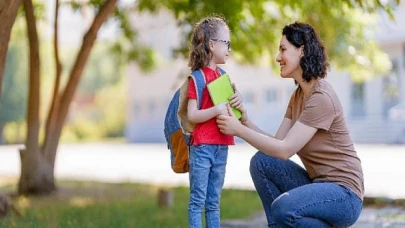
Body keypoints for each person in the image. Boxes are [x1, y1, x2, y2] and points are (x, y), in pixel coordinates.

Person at [216, 22, 364, 228]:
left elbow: (284, 150)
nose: (278, 57)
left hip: (344, 195)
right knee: (262, 162)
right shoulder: (298, 96)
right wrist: (244, 120)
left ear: (302, 50)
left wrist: (238, 130)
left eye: (283, 49)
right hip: (318, 185)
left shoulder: (321, 97)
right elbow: (276, 144)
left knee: (283, 208)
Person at [186, 16, 243, 228]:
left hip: (222, 146)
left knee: (214, 203)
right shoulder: (197, 78)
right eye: (226, 43)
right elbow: (192, 115)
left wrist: (238, 99)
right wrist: (215, 110)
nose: (229, 48)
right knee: (197, 201)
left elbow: (233, 110)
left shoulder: (225, 77)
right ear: (212, 45)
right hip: (202, 148)